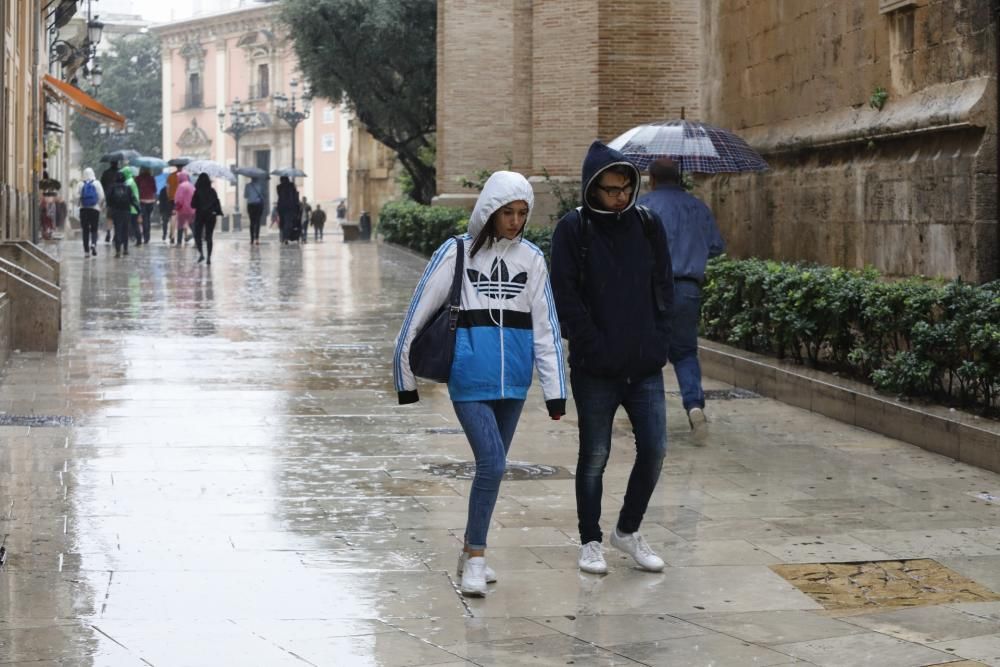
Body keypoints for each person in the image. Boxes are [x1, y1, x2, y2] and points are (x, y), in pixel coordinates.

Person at [394, 171, 566, 597]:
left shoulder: (532, 259)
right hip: (469, 376)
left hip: (514, 385)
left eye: (522, 213)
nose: (515, 221)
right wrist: (404, 375)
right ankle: (476, 557)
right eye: (507, 212)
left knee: (492, 471)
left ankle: (472, 547)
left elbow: (546, 328)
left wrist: (555, 389)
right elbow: (418, 312)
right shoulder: (456, 253)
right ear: (489, 210)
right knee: (493, 465)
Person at [550, 140, 674, 575]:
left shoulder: (647, 224)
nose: (620, 196)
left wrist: (659, 340)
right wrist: (592, 345)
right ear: (591, 189)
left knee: (656, 449)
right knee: (595, 456)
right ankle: (590, 541)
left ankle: (628, 530)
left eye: (626, 187)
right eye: (610, 189)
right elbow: (565, 297)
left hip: (644, 366)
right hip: (595, 369)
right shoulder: (573, 229)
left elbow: (663, 287)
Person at [638, 158, 725, 432]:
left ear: (651, 179)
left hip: (652, 289)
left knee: (648, 350)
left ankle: (648, 410)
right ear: (680, 178)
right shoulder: (698, 207)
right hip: (688, 288)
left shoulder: (644, 208)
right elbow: (715, 247)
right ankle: (694, 404)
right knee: (686, 352)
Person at [191, 173, 223, 265]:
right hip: (210, 216)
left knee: (197, 235)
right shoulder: (212, 191)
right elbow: (216, 202)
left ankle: (201, 254)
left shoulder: (197, 192)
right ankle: (209, 257)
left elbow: (192, 205)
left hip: (200, 215)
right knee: (209, 237)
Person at [107, 171, 138, 258]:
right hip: (126, 212)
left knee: (117, 230)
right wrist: (138, 210)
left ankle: (117, 251)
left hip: (116, 212)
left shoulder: (112, 187)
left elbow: (108, 200)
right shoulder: (128, 188)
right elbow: (133, 200)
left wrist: (111, 207)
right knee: (125, 230)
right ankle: (125, 249)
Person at [76, 167, 104, 257]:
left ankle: (86, 251)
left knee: (85, 230)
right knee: (94, 229)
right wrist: (99, 205)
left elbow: (76, 196)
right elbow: (102, 196)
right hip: (95, 209)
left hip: (83, 209)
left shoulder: (80, 184)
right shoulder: (97, 183)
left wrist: (79, 203)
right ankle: (93, 244)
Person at [135, 167, 158, 245]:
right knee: (147, 219)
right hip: (151, 201)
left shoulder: (138, 178)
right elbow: (155, 190)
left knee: (143, 219)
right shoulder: (152, 178)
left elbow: (136, 189)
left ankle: (143, 236)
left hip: (142, 201)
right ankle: (147, 237)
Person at [100, 160, 119, 243]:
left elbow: (102, 184)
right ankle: (115, 235)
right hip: (119, 198)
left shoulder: (105, 173)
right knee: (117, 217)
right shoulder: (120, 172)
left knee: (109, 217)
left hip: (109, 198)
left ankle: (108, 233)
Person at [276, 176, 300, 244]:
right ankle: (286, 237)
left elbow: (279, 195)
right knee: (288, 222)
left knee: (283, 222)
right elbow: (295, 196)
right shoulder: (291, 186)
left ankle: (283, 237)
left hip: (281, 207)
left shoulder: (279, 187)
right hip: (290, 207)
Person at [244, 176, 268, 246]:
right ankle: (257, 239)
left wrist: (251, 195)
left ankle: (251, 239)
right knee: (258, 222)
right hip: (258, 205)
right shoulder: (261, 186)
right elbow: (264, 195)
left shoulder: (247, 186)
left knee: (252, 222)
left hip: (250, 205)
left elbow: (245, 196)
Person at [173, 172, 195, 246]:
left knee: (180, 225)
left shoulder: (181, 186)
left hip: (183, 209)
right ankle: (197, 241)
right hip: (192, 209)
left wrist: (177, 206)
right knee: (192, 225)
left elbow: (179, 199)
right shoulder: (191, 186)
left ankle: (179, 242)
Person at [122, 167, 141, 246]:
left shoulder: (127, 182)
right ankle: (138, 240)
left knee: (130, 224)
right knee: (134, 224)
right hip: (135, 206)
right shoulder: (132, 181)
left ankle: (135, 239)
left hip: (130, 207)